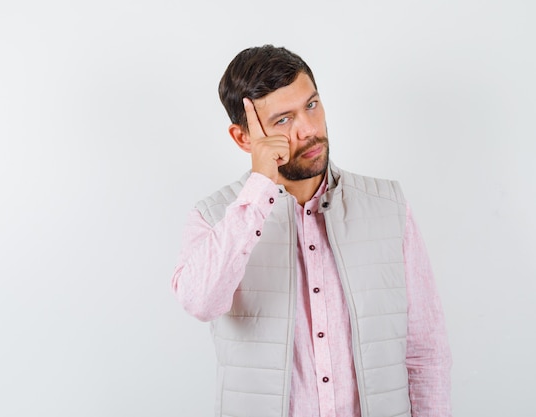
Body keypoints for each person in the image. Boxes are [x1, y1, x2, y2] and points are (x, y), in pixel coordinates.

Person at [171, 44, 452, 417]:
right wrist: (258, 189)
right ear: (243, 138)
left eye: (311, 105)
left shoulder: (389, 206)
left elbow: (425, 351)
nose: (308, 130)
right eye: (283, 120)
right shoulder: (214, 217)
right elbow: (199, 301)